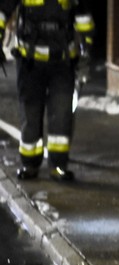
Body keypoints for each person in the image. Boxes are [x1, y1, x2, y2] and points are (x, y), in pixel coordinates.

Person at [0, 0, 94, 182]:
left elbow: (84, 19)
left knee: (61, 115)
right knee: (31, 114)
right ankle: (29, 164)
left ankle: (58, 166)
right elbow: (3, 10)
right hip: (30, 62)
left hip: (63, 63)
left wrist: (87, 50)